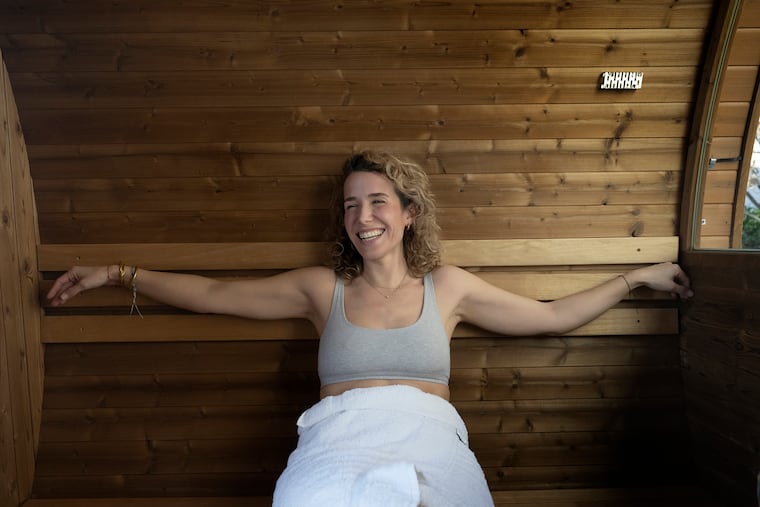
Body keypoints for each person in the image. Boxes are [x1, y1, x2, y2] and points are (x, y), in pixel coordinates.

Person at [47, 150, 693, 506]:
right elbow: (215, 294)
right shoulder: (319, 289)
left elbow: (552, 317)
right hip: (339, 440)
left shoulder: (451, 288)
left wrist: (635, 279)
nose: (363, 215)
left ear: (409, 213)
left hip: (430, 439)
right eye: (352, 205)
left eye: (377, 200)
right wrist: (117, 271)